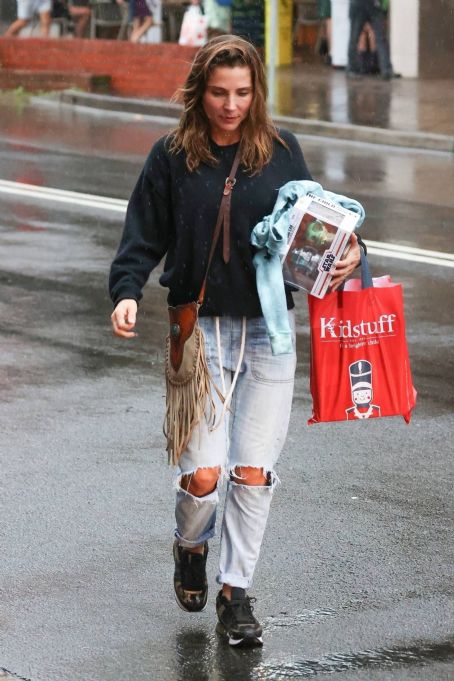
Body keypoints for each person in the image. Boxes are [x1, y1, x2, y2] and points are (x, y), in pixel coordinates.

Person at [109, 35, 361, 647]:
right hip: (198, 330)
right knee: (203, 477)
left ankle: (235, 593)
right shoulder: (172, 156)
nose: (231, 105)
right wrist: (125, 289)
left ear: (257, 94)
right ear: (200, 91)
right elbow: (143, 233)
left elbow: (318, 221)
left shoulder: (279, 150)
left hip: (269, 331)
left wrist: (351, 252)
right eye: (220, 93)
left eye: (243, 94)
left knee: (252, 474)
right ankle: (190, 545)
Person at [347, 0, 397, 79]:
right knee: (380, 37)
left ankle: (352, 69)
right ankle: (386, 69)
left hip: (362, 4)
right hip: (372, 4)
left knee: (355, 36)